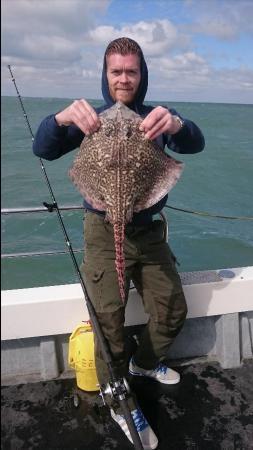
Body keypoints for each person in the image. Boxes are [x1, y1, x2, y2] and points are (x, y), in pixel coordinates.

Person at [33, 37, 205, 449]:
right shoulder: (90, 118)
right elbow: (43, 148)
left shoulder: (158, 116)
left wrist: (178, 125)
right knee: (107, 323)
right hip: (102, 230)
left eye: (131, 71)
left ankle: (144, 364)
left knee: (172, 309)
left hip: (149, 231)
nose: (124, 79)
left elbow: (194, 142)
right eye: (116, 71)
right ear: (105, 74)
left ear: (142, 74)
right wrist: (58, 120)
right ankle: (116, 397)